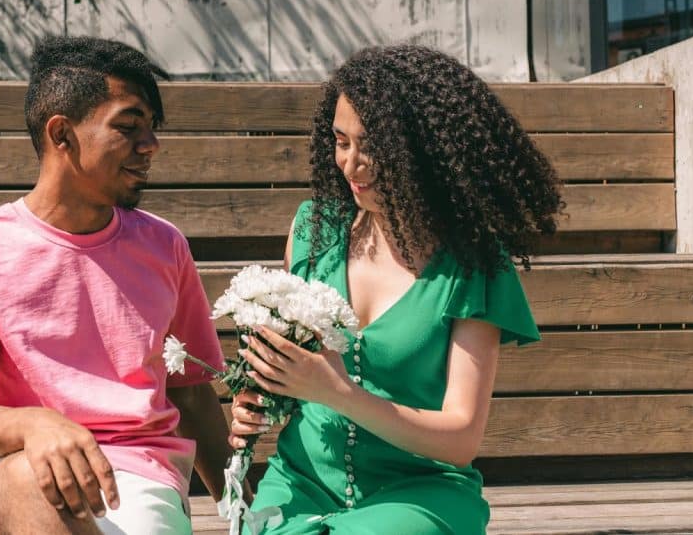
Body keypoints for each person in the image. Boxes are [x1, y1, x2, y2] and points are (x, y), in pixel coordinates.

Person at [230, 44, 563, 534]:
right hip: (299, 483)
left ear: (422, 151)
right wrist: (260, 399)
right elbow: (289, 369)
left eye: (372, 147)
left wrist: (337, 393)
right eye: (341, 141)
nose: (351, 164)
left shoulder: (473, 264)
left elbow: (461, 438)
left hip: (417, 494)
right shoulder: (313, 230)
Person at [0, 36, 232, 535]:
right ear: (62, 134)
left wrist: (248, 508)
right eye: (129, 127)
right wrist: (36, 424)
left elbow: (192, 395)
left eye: (152, 128)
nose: (150, 145)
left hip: (135, 476)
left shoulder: (164, 246)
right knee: (33, 482)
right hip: (8, 470)